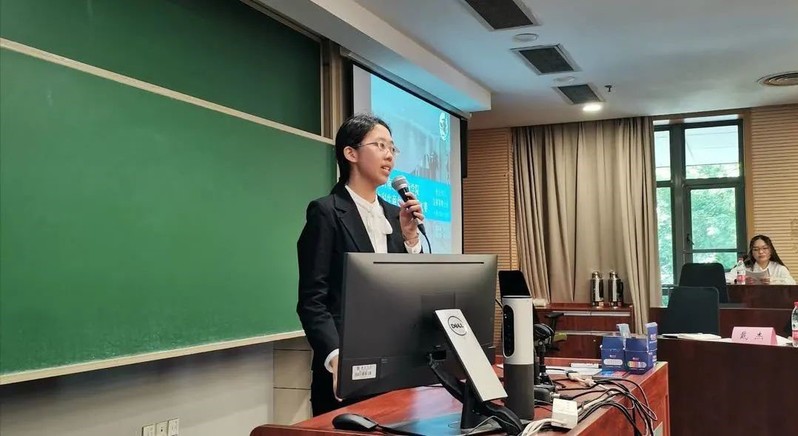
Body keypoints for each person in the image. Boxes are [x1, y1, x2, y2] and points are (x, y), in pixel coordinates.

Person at [296, 113, 425, 416]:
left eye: (392, 148)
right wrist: (337, 357)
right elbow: (312, 301)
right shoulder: (326, 212)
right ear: (350, 153)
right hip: (346, 368)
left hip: (397, 364)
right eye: (380, 145)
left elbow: (408, 289)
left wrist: (410, 239)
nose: (389, 155)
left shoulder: (396, 215)